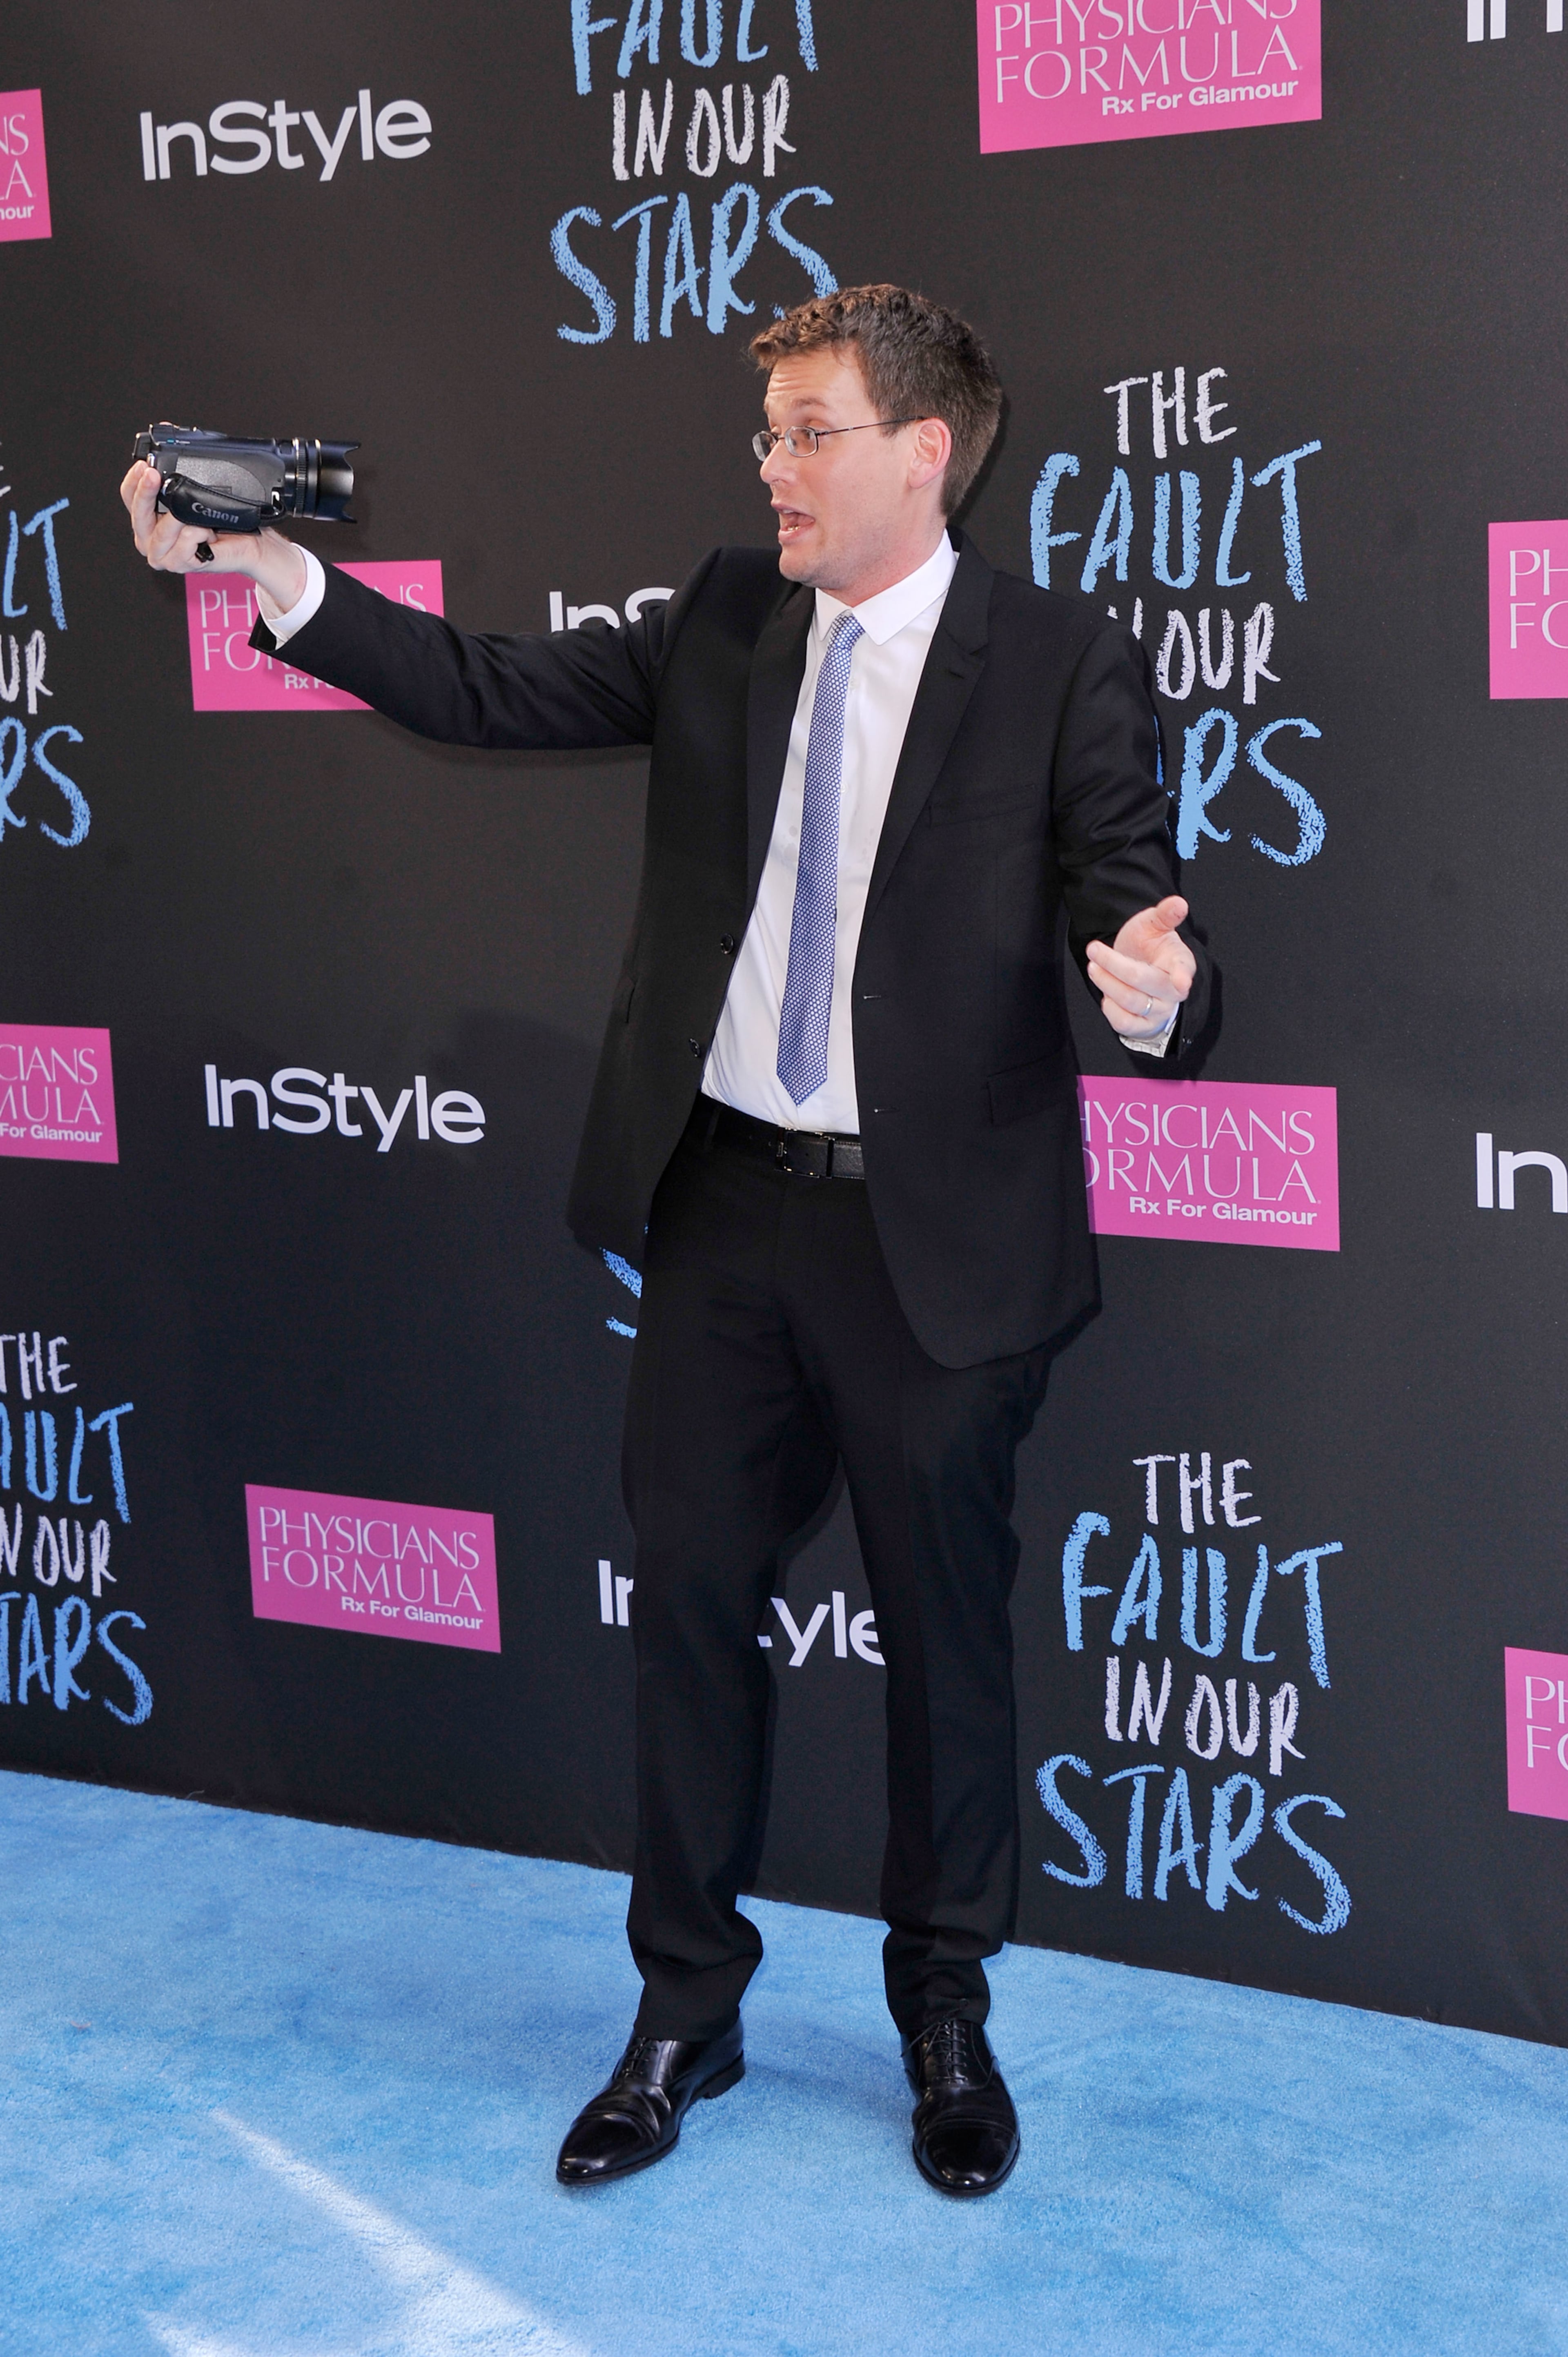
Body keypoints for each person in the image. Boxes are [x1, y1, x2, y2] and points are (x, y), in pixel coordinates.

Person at [122, 284, 1211, 2200]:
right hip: (724, 1217)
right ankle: (683, 2011)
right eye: (769, 431)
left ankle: (944, 2013)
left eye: (807, 431)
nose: (771, 465)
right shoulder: (723, 619)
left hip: (939, 1253)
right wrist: (269, 572)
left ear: (920, 454)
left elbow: (1139, 908)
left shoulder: (1058, 661)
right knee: (689, 1612)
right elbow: (487, 685)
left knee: (949, 1644)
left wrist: (1151, 995)